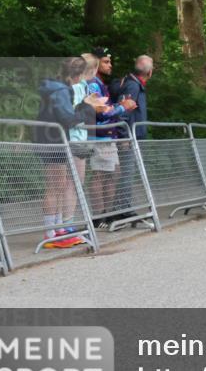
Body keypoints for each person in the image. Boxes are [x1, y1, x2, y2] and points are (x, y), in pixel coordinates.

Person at [36, 57, 107, 248]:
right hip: (52, 142)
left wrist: (83, 105)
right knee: (54, 187)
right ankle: (50, 233)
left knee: (58, 186)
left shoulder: (58, 88)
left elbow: (65, 114)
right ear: (79, 75)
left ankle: (58, 229)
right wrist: (88, 108)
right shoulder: (60, 90)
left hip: (55, 140)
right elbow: (68, 119)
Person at [86, 48, 136, 227]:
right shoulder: (92, 84)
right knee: (100, 175)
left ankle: (108, 214)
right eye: (106, 61)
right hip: (99, 135)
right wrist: (123, 107)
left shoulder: (100, 83)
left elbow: (106, 108)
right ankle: (98, 217)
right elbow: (100, 113)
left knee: (113, 174)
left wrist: (119, 106)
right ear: (95, 63)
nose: (110, 65)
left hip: (108, 135)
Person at [109, 55, 153, 225]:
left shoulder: (133, 84)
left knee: (127, 173)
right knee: (126, 173)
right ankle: (123, 210)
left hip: (133, 135)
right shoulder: (133, 86)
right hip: (128, 137)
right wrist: (124, 135)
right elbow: (123, 111)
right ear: (149, 72)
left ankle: (123, 207)